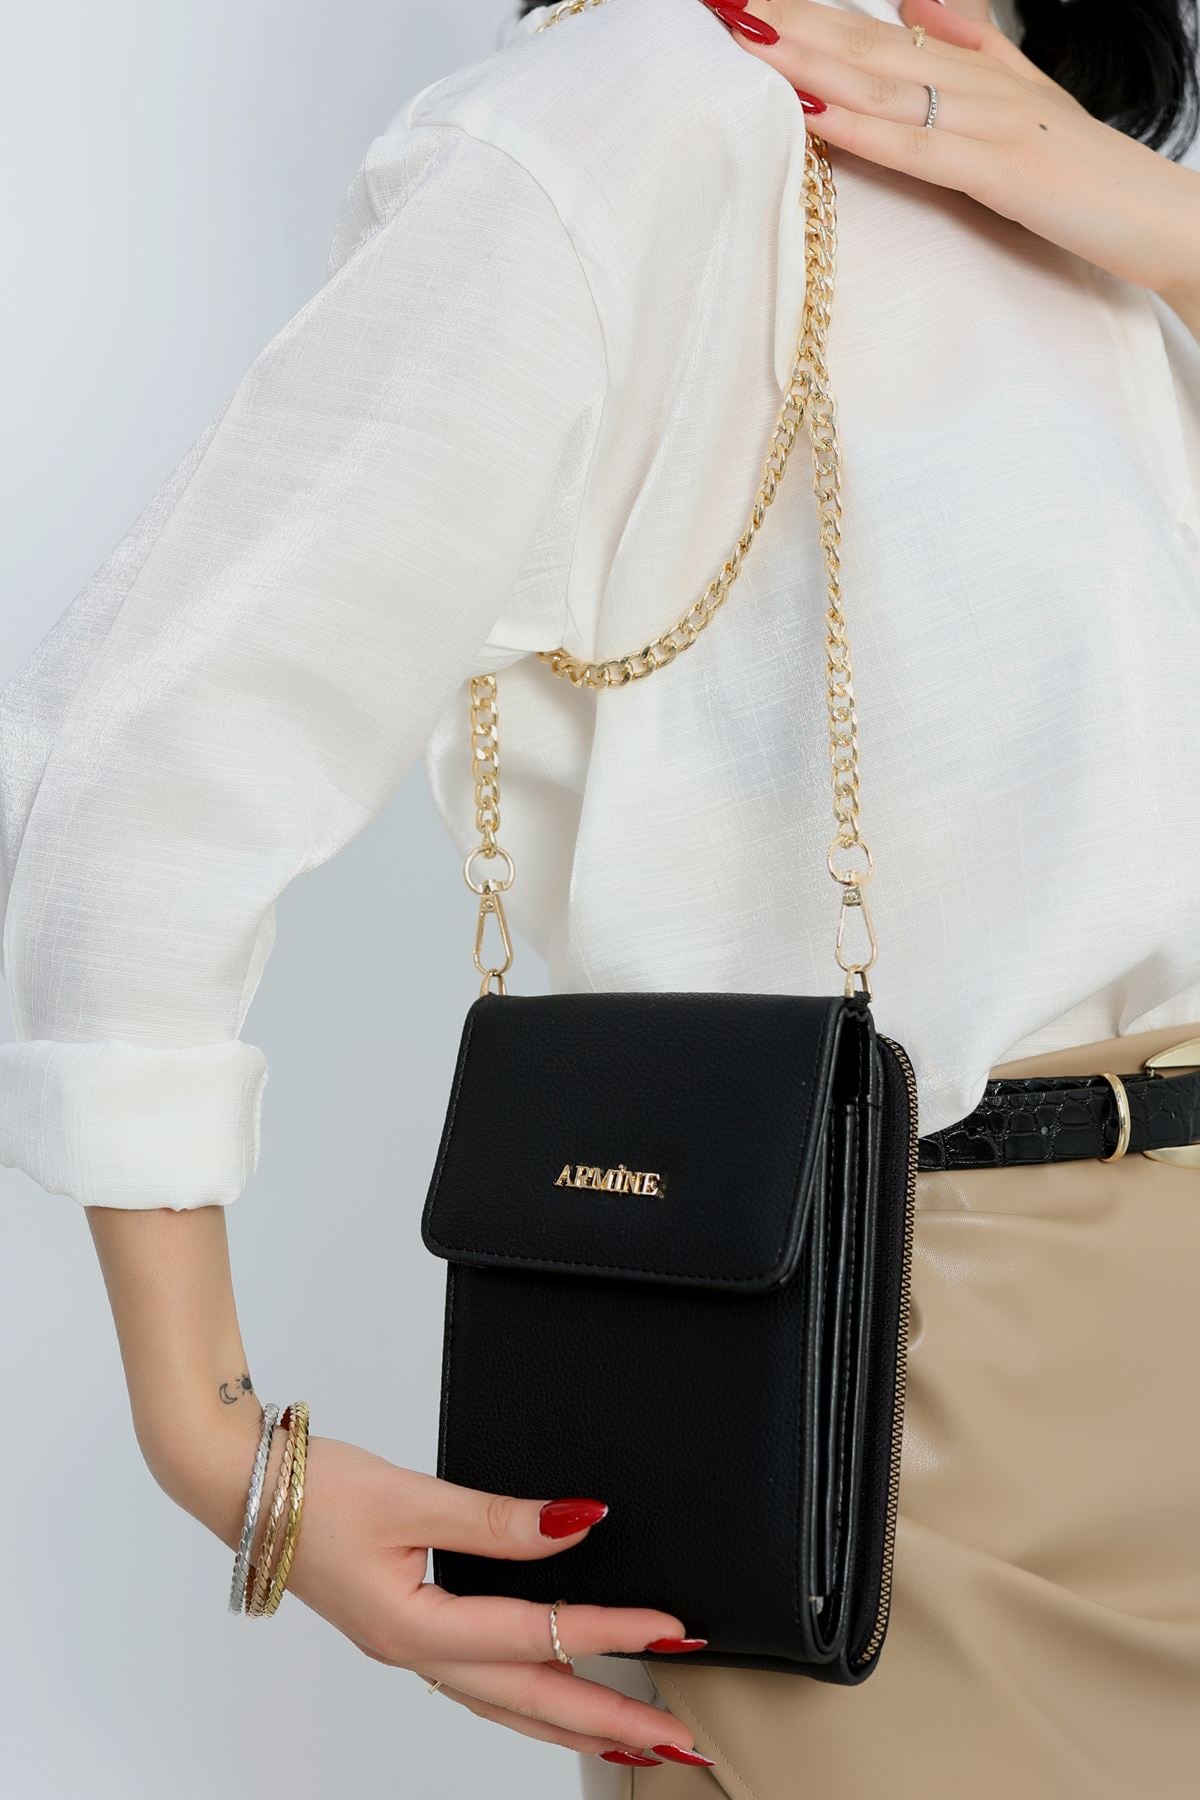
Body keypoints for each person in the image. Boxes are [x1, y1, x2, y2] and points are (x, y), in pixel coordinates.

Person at [2, 0, 1199, 1792]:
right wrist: (220, 1446)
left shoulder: (1066, 151)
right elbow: (144, 761)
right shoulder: (636, 115)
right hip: (887, 1388)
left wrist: (1166, 226)